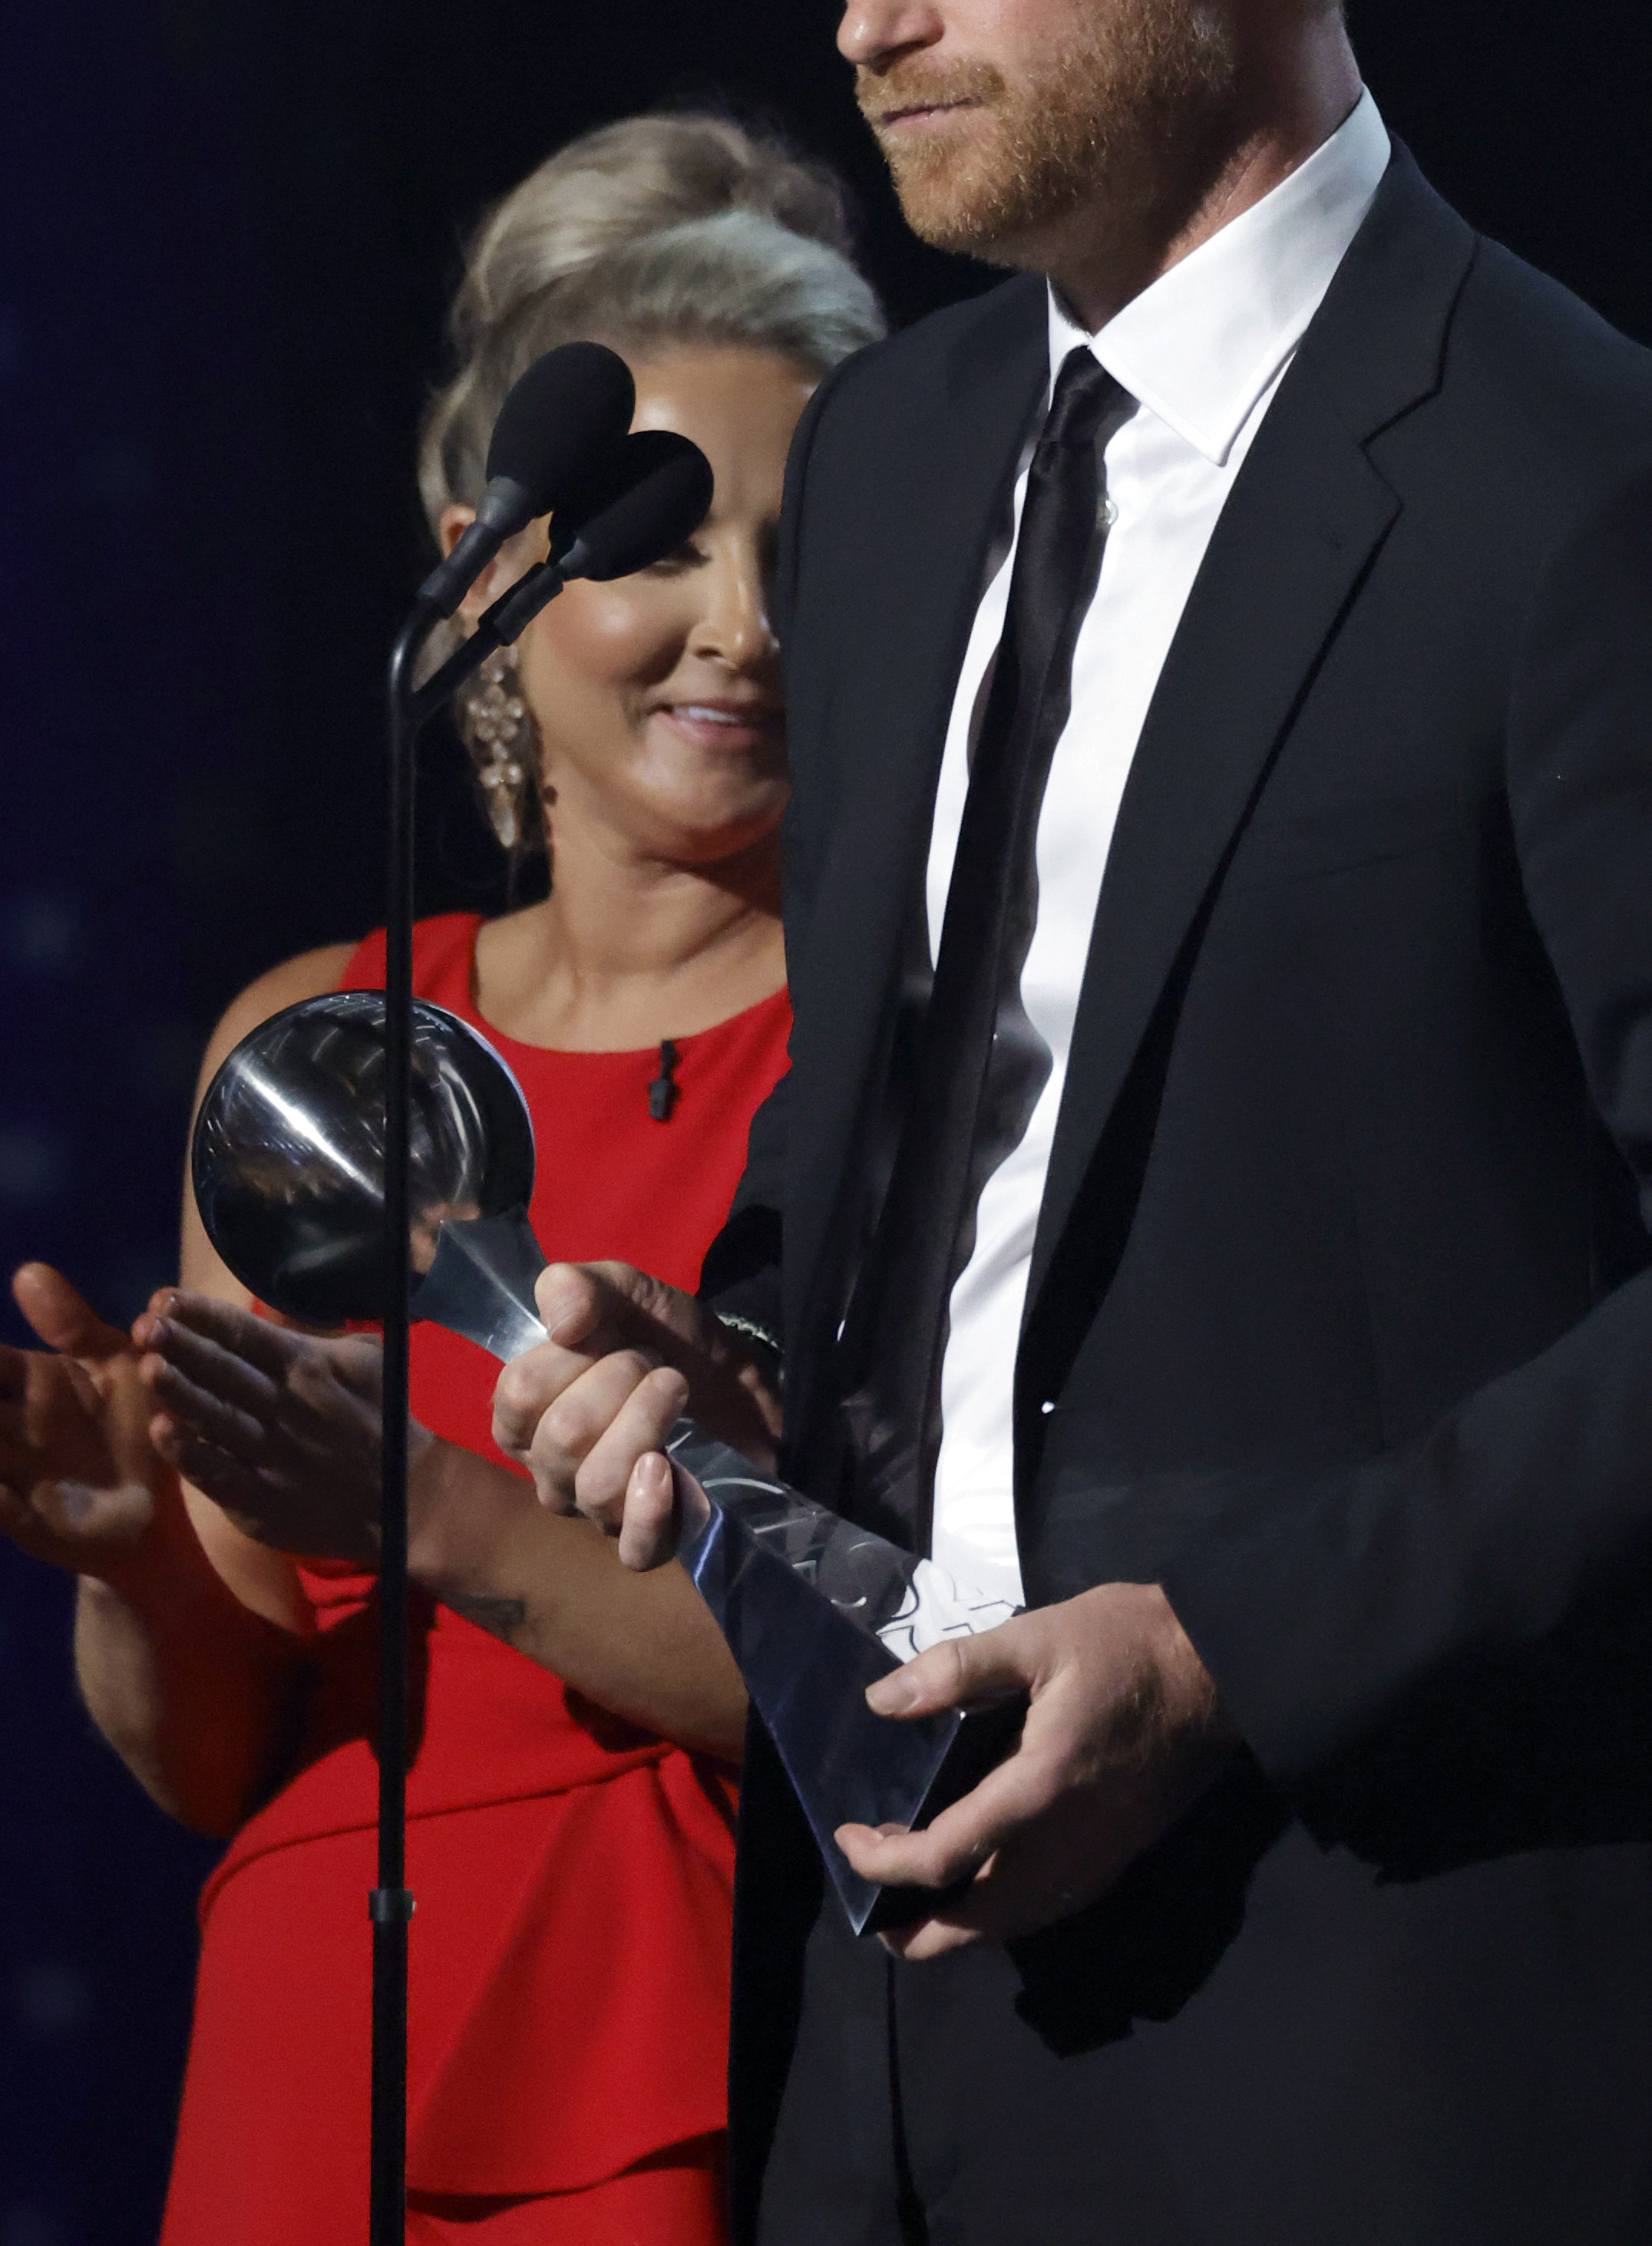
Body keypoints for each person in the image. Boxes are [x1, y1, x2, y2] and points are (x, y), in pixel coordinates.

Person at [495, 0, 1652, 2246]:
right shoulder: (898, 464)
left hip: (1415, 2021)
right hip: (909, 2017)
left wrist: (1222, 1649)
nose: (868, 19)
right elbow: (912, 1166)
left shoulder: (1603, 504)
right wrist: (741, 1357)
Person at [0, 111, 881, 2244]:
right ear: (488, 558)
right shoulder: (316, 1046)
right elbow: (223, 1748)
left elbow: (875, 1695)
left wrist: (432, 1509)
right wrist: (133, 1563)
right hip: (318, 2051)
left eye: (811, 543)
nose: (744, 625)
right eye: (663, 542)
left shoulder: (903, 1045)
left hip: (696, 2045)